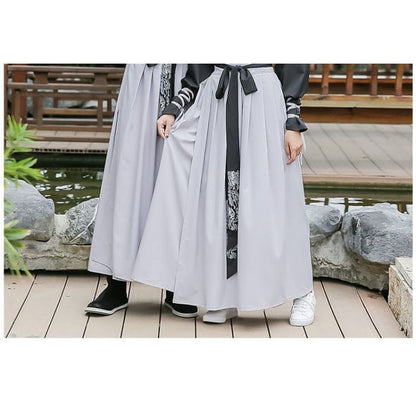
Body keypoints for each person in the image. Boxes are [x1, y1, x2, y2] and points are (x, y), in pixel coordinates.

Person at [132, 64, 316, 326]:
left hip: (262, 99)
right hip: (217, 100)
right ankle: (225, 296)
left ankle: (303, 291)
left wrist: (292, 121)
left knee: (277, 198)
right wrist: (175, 107)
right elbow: (200, 67)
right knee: (217, 201)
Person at [85, 64, 198, 318]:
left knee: (179, 183)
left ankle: (176, 286)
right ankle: (116, 284)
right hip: (143, 79)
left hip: (186, 77)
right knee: (128, 179)